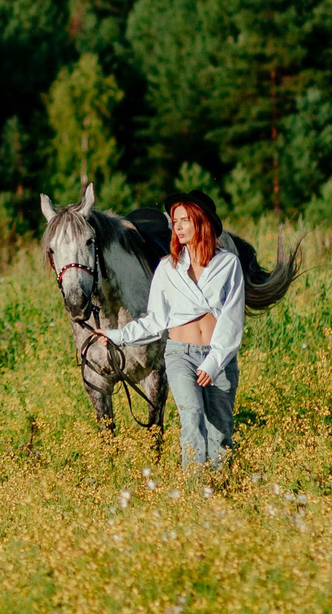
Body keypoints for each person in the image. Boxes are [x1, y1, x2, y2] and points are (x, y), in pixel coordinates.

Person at [102, 193, 245, 467]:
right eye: (175, 221)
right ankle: (193, 494)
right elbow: (155, 320)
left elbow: (232, 320)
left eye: (184, 220)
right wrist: (117, 335)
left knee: (220, 435)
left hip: (220, 358)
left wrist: (214, 362)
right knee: (192, 424)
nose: (177, 226)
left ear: (202, 222)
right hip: (181, 356)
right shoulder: (168, 268)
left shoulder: (228, 264)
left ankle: (221, 495)